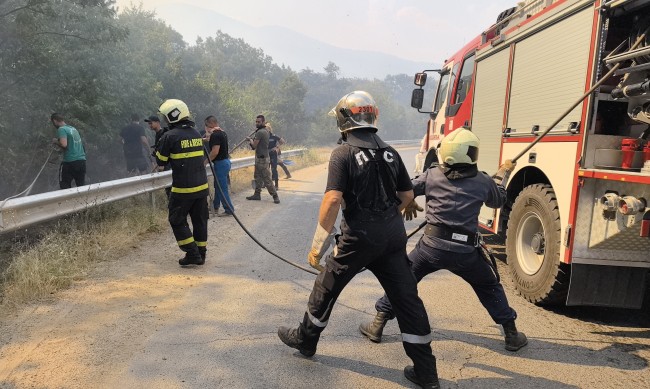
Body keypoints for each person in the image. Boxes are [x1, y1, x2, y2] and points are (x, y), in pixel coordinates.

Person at [277, 91, 440, 389]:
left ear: (344, 118)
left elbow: (333, 199)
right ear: (372, 116)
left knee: (326, 286)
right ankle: (426, 372)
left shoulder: (343, 153)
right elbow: (406, 196)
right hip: (392, 237)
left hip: (357, 238)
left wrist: (317, 246)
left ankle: (305, 340)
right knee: (407, 300)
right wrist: (396, 212)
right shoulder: (390, 151)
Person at [358, 126, 528, 353]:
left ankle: (378, 324)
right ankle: (511, 334)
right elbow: (498, 201)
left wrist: (409, 200)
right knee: (488, 286)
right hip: (466, 252)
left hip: (431, 249)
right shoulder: (483, 181)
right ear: (472, 154)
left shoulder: (432, 175)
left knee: (403, 281)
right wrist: (502, 175)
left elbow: (403, 188)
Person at [155, 99, 209, 266]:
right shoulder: (195, 133)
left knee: (176, 219)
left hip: (183, 189)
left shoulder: (169, 136)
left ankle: (192, 253)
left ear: (173, 115)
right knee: (200, 220)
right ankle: (201, 253)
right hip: (202, 187)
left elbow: (161, 162)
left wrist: (161, 144)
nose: (164, 120)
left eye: (165, 117)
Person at [245, 114, 280, 204]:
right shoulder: (265, 131)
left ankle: (275, 196)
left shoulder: (260, 132)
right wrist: (253, 139)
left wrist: (250, 140)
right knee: (258, 177)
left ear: (263, 122)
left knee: (267, 179)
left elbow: (254, 146)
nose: (257, 123)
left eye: (259, 122)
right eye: (256, 122)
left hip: (262, 159)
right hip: (261, 157)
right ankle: (257, 194)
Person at [205, 115, 235, 216]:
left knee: (222, 188)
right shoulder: (222, 132)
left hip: (220, 163)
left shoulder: (215, 135)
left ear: (212, 123)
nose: (206, 127)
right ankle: (215, 206)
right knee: (217, 186)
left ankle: (229, 209)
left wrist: (205, 162)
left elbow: (215, 152)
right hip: (225, 161)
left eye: (207, 125)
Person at [51, 113, 86, 189]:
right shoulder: (73, 129)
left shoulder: (62, 129)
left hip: (70, 162)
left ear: (55, 121)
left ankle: (66, 201)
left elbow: (64, 144)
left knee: (64, 186)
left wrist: (56, 141)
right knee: (81, 187)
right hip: (81, 162)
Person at [146, 115, 171, 198]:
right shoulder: (158, 134)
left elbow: (166, 149)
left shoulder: (163, 133)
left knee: (170, 186)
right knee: (168, 186)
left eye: (151, 123)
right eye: (148, 124)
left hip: (168, 164)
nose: (150, 125)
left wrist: (162, 165)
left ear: (157, 122)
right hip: (164, 163)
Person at [266, 122, 291, 189]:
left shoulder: (274, 136)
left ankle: (276, 185)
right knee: (266, 170)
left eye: (267, 129)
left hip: (273, 154)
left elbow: (282, 141)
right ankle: (267, 184)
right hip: (266, 154)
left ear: (269, 129)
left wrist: (277, 147)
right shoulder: (263, 137)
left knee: (274, 169)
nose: (266, 130)